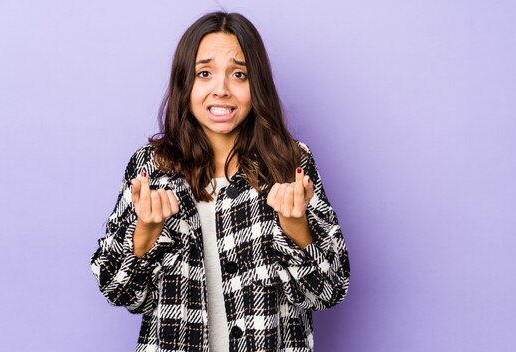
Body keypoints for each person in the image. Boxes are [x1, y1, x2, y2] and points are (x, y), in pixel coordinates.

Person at [90, 11, 350, 352]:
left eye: (239, 74)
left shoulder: (291, 164)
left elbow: (329, 292)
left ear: (256, 85)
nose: (221, 90)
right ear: (186, 83)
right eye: (205, 73)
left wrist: (295, 227)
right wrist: (144, 236)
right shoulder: (150, 169)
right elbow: (118, 291)